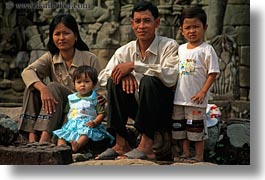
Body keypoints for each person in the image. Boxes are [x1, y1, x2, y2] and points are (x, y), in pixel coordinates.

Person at [95, 1, 179, 160]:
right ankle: (121, 144)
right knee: (115, 79)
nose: (142, 26)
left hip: (163, 109)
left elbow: (171, 76)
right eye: (138, 21)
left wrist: (134, 66)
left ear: (157, 23)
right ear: (132, 24)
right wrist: (123, 73)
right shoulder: (125, 50)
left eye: (147, 21)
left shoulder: (169, 45)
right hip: (138, 109)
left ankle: (146, 146)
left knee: (149, 80)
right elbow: (102, 77)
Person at [18, 14, 103, 143]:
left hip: (78, 110)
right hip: (55, 106)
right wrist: (42, 89)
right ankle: (31, 136)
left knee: (52, 86)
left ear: (76, 36)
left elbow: (101, 88)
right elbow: (27, 72)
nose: (61, 38)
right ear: (52, 37)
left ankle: (45, 138)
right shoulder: (50, 57)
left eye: (66, 33)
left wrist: (102, 97)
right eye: (57, 34)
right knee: (32, 87)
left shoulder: (89, 58)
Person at [171, 6, 220, 162]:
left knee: (196, 128)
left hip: (196, 99)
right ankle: (185, 153)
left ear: (205, 27)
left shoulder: (207, 49)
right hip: (179, 98)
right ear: (182, 30)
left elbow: (213, 72)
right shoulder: (180, 49)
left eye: (196, 27)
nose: (192, 31)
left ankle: (199, 156)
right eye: (188, 27)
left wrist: (203, 92)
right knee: (182, 127)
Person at [53, 65, 114, 153]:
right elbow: (67, 113)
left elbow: (101, 113)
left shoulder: (95, 98)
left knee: (85, 134)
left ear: (94, 84)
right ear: (74, 84)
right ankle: (62, 149)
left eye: (86, 82)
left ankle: (77, 145)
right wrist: (65, 124)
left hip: (87, 124)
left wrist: (95, 122)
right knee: (62, 135)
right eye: (79, 82)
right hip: (72, 125)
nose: (82, 85)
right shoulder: (71, 98)